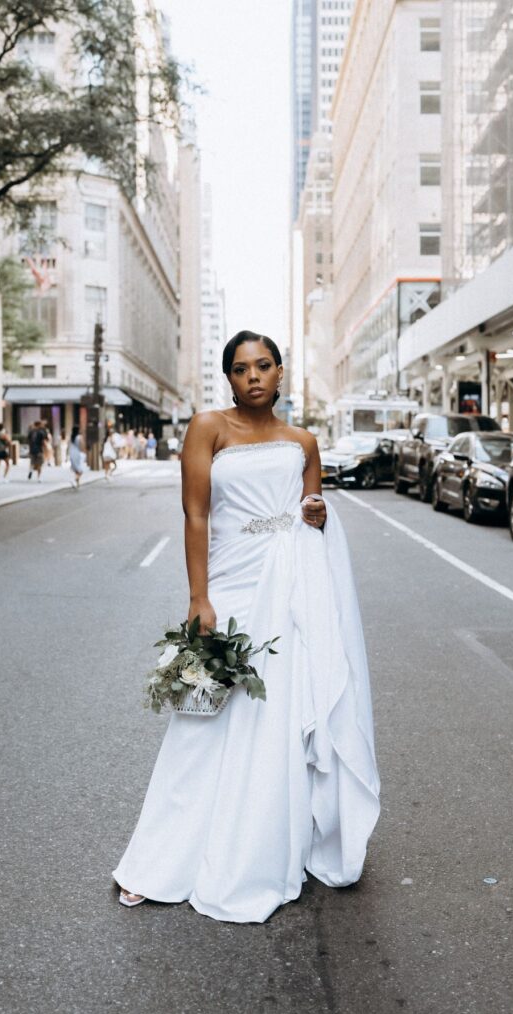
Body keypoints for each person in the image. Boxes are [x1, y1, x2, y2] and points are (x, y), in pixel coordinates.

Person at [113, 330, 380, 923]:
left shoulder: (303, 441)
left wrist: (317, 512)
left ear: (281, 373)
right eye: (240, 368)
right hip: (230, 586)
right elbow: (195, 512)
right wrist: (198, 596)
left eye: (263, 365)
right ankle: (160, 858)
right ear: (227, 378)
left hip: (289, 591)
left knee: (277, 718)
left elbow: (310, 516)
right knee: (202, 716)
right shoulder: (208, 427)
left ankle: (264, 846)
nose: (253, 376)